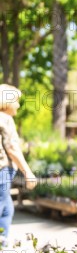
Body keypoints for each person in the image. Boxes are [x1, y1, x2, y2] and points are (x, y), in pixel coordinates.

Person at [0, 85, 37, 243]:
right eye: (16, 101)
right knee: (2, 205)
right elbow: (12, 148)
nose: (18, 105)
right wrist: (28, 172)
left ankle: (2, 241)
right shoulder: (5, 118)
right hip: (2, 170)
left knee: (7, 207)